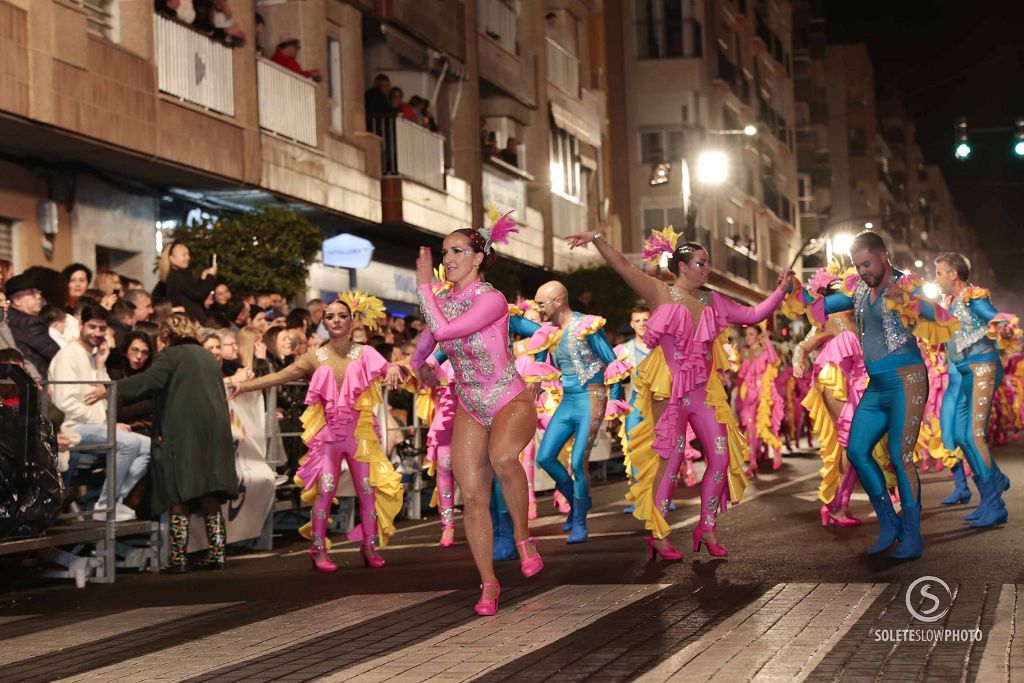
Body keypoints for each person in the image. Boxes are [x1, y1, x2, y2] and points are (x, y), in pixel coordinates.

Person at [565, 226, 794, 559]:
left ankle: (708, 526)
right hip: (669, 396)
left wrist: (782, 290)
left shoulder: (712, 300)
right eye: (701, 263)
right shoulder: (660, 292)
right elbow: (623, 267)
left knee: (720, 456)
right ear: (682, 266)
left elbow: (754, 314)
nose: (706, 269)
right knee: (670, 463)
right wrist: (598, 238)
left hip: (703, 395)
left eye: (707, 263)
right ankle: (658, 534)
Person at [793, 231, 959, 559]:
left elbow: (941, 316)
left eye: (867, 264)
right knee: (856, 450)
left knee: (900, 456)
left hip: (907, 380)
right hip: (877, 385)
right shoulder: (858, 290)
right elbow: (820, 306)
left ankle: (912, 534)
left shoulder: (905, 284)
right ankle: (888, 523)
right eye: (858, 265)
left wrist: (914, 304)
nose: (863, 271)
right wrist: (792, 290)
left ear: (884, 255)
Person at [410, 212, 543, 616]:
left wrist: (422, 288)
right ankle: (488, 583)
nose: (448, 259)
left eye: (457, 251)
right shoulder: (444, 301)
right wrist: (410, 367)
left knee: (503, 457)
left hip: (508, 398)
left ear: (479, 257)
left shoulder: (492, 299)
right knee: (471, 496)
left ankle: (523, 537)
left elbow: (446, 332)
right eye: (445, 252)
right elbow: (426, 345)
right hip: (469, 404)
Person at [233, 293, 405, 571]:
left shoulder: (366, 353)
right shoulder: (315, 356)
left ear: (351, 321)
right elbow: (279, 376)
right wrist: (242, 387)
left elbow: (394, 371)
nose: (336, 320)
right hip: (328, 438)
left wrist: (397, 367)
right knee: (325, 490)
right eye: (330, 316)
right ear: (323, 322)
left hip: (359, 436)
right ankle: (318, 549)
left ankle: (369, 546)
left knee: (366, 490)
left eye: (342, 316)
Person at [108, 314, 238, 571]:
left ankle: (177, 557)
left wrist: (112, 389)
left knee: (178, 488)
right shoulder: (206, 356)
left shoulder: (173, 356)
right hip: (213, 432)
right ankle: (218, 552)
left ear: (166, 335)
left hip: (184, 432)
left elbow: (150, 381)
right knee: (208, 490)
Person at [792, 266, 894, 528]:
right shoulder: (830, 319)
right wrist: (798, 362)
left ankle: (837, 505)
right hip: (832, 379)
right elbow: (804, 345)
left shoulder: (862, 320)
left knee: (859, 446)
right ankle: (837, 507)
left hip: (857, 383)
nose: (851, 297)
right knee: (852, 444)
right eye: (845, 292)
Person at [531, 281, 627, 544]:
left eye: (542, 303)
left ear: (558, 301)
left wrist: (614, 403)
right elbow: (537, 369)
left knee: (577, 462)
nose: (539, 309)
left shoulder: (586, 325)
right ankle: (577, 502)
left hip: (592, 398)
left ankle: (580, 521)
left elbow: (613, 363)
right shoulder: (547, 332)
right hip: (567, 401)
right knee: (546, 457)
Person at [934, 252, 1019, 527]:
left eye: (939, 273)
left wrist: (1004, 329)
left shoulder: (973, 296)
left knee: (974, 434)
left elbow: (995, 318)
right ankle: (990, 490)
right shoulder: (950, 302)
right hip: (964, 372)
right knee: (960, 435)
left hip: (983, 369)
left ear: (953, 274)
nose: (937, 279)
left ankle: (995, 503)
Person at [50, 304, 151, 521]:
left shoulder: (93, 357)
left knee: (149, 447)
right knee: (129, 443)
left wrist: (101, 363)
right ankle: (105, 504)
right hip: (72, 427)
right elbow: (65, 403)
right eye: (92, 327)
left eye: (102, 328)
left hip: (95, 425)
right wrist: (106, 424)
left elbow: (106, 396)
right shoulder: (68, 356)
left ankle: (115, 500)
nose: (97, 333)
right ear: (81, 325)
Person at [735, 323, 785, 474]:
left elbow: (775, 361)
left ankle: (777, 453)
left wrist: (767, 340)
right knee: (749, 428)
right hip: (749, 396)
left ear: (757, 336)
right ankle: (752, 462)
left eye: (751, 334)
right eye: (746, 334)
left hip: (765, 394)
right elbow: (739, 376)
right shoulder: (743, 353)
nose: (748, 337)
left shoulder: (765, 351)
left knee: (769, 425)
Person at [5, 274, 61, 380]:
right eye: (32, 293)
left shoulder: (9, 320)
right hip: (41, 379)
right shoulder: (29, 322)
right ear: (16, 300)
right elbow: (58, 355)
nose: (38, 296)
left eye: (37, 291)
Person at [106, 331, 156, 436]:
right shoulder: (116, 372)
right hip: (123, 430)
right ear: (126, 351)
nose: (139, 356)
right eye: (135, 350)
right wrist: (151, 404)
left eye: (144, 352)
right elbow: (118, 412)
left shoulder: (149, 374)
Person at [160, 241, 217, 324]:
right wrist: (210, 277)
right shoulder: (177, 277)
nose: (188, 258)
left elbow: (193, 294)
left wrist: (203, 279)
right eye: (183, 255)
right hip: (190, 322)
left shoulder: (181, 275)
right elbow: (199, 294)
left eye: (188, 254)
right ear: (172, 258)